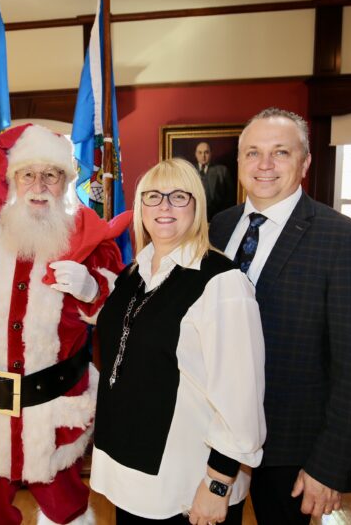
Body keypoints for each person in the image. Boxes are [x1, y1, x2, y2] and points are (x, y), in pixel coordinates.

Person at [209, 108, 351, 524]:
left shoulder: (347, 241)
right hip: (212, 438)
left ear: (305, 162)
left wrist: (331, 465)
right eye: (252, 152)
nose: (264, 165)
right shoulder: (217, 226)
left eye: (280, 152)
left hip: (290, 449)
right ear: (238, 163)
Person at [0, 123, 127, 525]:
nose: (39, 185)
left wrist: (93, 290)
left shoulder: (89, 237)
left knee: (65, 509)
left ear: (65, 182)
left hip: (56, 405)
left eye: (51, 175)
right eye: (28, 174)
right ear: (12, 179)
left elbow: (120, 306)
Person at [91, 158, 266, 525]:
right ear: (139, 207)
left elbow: (240, 395)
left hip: (186, 483)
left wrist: (217, 483)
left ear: (197, 207)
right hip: (131, 473)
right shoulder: (133, 274)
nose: (164, 206)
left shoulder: (222, 282)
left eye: (178, 196)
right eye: (153, 196)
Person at [192, 141, 236, 219]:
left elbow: (230, 197)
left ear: (211, 153)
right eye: (200, 153)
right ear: (195, 154)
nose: (203, 156)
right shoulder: (190, 170)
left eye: (206, 152)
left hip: (217, 216)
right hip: (195, 216)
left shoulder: (222, 171)